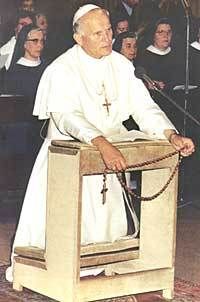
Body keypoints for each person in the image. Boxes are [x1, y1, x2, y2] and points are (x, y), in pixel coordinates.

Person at [6, 4, 194, 282]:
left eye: (108, 30)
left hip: (109, 152)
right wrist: (101, 143)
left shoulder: (121, 65)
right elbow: (66, 116)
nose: (107, 38)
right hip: (68, 157)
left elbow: (144, 108)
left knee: (106, 225)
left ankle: (104, 264)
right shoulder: (62, 69)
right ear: (79, 37)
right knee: (62, 230)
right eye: (98, 33)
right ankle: (50, 272)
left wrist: (170, 134)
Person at [4, 24, 48, 170]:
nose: (39, 45)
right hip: (22, 135)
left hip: (44, 130)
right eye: (35, 41)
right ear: (24, 43)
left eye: (42, 41)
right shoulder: (14, 73)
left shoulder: (49, 69)